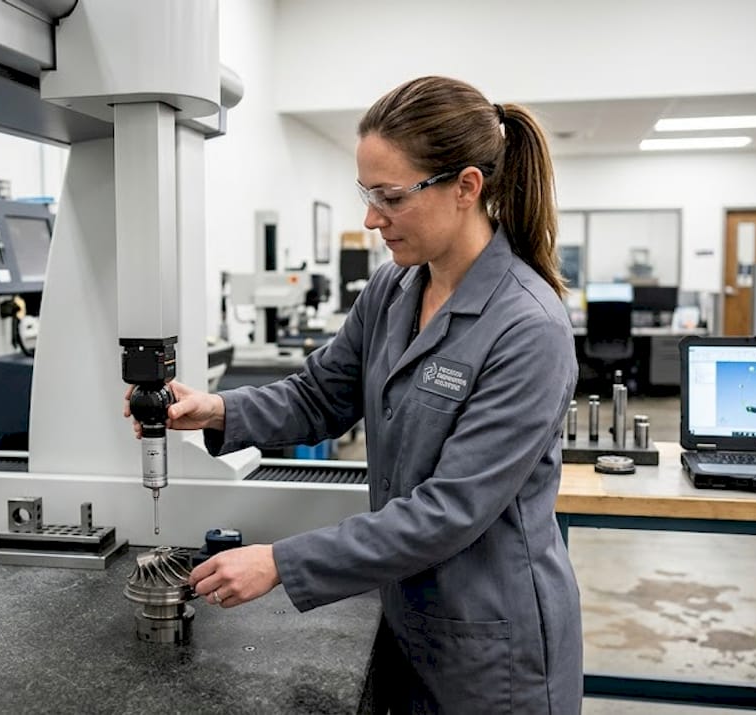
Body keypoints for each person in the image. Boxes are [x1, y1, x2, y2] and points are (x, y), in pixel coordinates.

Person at [126, 76, 581, 714]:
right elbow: (321, 395)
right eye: (367, 194)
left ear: (466, 187)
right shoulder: (394, 290)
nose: (370, 218)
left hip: (490, 646)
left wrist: (282, 561)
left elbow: (448, 511)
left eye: (390, 197)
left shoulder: (528, 327)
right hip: (403, 615)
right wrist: (217, 409)